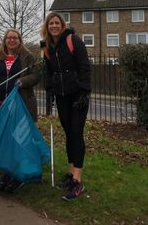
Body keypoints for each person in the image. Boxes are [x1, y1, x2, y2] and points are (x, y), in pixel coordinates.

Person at [0, 28, 40, 192]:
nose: (12, 40)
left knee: (18, 141)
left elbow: (36, 76)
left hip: (20, 106)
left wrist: (23, 80)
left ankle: (17, 176)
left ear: (20, 40)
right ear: (4, 40)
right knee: (5, 142)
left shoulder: (27, 57)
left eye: (15, 38)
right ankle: (6, 174)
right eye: (9, 38)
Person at [41, 12, 91, 201]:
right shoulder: (47, 47)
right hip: (61, 95)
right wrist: (49, 91)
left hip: (77, 94)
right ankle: (71, 174)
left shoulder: (73, 40)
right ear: (47, 26)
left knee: (77, 133)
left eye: (57, 23)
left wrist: (84, 92)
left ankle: (78, 181)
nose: (54, 26)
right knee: (69, 133)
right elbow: (48, 71)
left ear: (62, 25)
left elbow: (85, 67)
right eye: (51, 23)